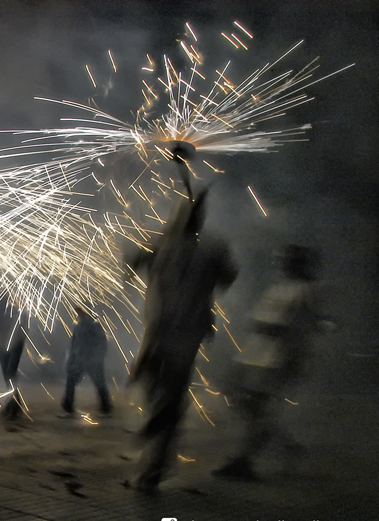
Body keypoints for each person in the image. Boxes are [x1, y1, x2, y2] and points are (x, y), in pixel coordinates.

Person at [127, 189, 238, 492]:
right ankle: (158, 437)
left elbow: (129, 265)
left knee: (165, 395)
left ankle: (153, 463)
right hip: (174, 332)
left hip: (171, 332)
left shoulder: (173, 244)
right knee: (163, 393)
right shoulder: (204, 247)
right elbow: (229, 278)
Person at [214, 245, 323, 481]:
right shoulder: (280, 287)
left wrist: (272, 328)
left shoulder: (306, 290)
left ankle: (244, 461)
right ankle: (284, 445)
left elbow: (297, 326)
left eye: (288, 260)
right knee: (242, 402)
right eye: (281, 259)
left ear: (301, 263)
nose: (282, 264)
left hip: (277, 359)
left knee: (257, 407)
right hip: (256, 355)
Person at [60, 306, 112, 417]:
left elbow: (101, 343)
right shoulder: (79, 326)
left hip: (92, 360)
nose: (78, 314)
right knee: (72, 381)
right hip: (81, 360)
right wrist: (71, 359)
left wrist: (97, 358)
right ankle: (68, 408)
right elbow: (75, 344)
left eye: (79, 311)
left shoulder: (94, 325)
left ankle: (106, 408)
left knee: (99, 384)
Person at [0, 293, 28, 421]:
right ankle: (13, 407)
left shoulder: (15, 311)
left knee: (10, 375)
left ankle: (14, 407)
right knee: (9, 377)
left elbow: (23, 328)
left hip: (13, 347)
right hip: (4, 348)